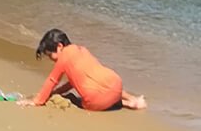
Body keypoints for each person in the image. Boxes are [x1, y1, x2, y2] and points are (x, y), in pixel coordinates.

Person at [18, 29, 147, 110]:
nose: (51, 59)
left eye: (50, 54)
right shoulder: (82, 50)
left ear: (59, 46)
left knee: (74, 98)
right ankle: (132, 100)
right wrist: (57, 92)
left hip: (97, 102)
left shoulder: (64, 58)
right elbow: (73, 82)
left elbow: (52, 80)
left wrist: (37, 101)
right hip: (116, 84)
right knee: (104, 82)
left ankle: (123, 104)